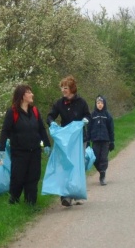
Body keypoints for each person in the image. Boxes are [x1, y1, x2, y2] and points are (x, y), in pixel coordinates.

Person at [0, 84, 51, 205]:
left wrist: (47, 144)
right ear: (22, 96)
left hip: (35, 151)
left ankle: (31, 203)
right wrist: (1, 150)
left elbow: (41, 129)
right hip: (19, 152)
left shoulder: (35, 111)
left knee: (33, 177)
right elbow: (5, 131)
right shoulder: (13, 112)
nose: (32, 94)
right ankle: (14, 200)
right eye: (29, 92)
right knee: (18, 177)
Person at [46, 75, 91, 207]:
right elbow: (50, 116)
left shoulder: (82, 102)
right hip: (65, 141)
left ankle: (77, 194)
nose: (63, 90)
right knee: (65, 166)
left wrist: (85, 121)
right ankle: (65, 195)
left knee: (78, 165)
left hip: (79, 139)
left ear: (72, 88)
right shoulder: (59, 103)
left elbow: (88, 115)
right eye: (62, 88)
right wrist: (52, 123)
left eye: (65, 88)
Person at [86, 95, 115, 186]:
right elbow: (89, 129)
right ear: (96, 104)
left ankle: (102, 176)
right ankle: (101, 170)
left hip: (105, 140)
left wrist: (112, 141)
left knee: (103, 158)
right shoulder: (92, 115)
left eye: (101, 103)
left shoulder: (107, 115)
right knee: (95, 158)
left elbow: (111, 129)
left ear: (104, 104)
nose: (100, 105)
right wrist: (87, 141)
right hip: (95, 140)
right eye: (98, 103)